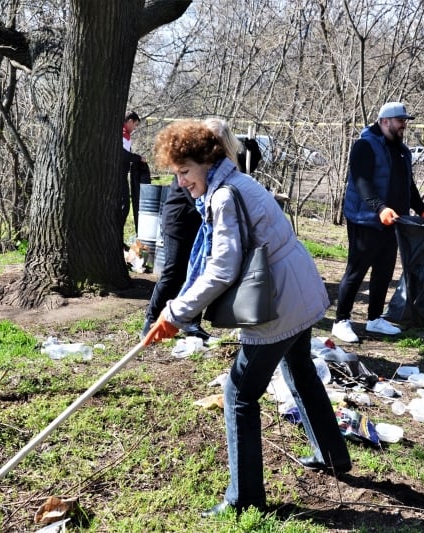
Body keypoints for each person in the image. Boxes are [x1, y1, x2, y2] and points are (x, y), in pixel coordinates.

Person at [144, 120, 350, 518]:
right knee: (300, 370)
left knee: (239, 394)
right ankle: (332, 454)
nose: (182, 183)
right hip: (299, 290)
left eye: (185, 172)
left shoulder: (224, 196)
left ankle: (245, 500)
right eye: (177, 174)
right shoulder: (238, 181)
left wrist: (174, 314)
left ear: (207, 160)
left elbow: (222, 269)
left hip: (277, 300)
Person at [140, 118, 261, 340]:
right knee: (174, 271)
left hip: (199, 224)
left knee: (199, 271)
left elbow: (238, 168)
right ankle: (151, 319)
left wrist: (253, 150)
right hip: (178, 221)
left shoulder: (219, 172)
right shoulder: (191, 168)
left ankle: (191, 322)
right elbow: (201, 197)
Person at [332, 102, 424, 343]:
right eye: (400, 120)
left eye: (405, 121)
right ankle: (341, 321)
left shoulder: (402, 151)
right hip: (365, 219)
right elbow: (362, 183)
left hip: (394, 221)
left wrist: (423, 209)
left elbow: (407, 185)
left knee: (384, 271)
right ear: (384, 121)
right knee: (356, 271)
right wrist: (379, 208)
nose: (404, 125)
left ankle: (374, 319)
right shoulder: (364, 146)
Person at [121, 111, 150, 237]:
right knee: (124, 207)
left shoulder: (126, 136)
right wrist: (138, 158)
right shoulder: (121, 135)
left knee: (125, 207)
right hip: (119, 176)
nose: (135, 128)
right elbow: (123, 155)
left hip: (122, 174)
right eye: (135, 125)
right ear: (130, 121)